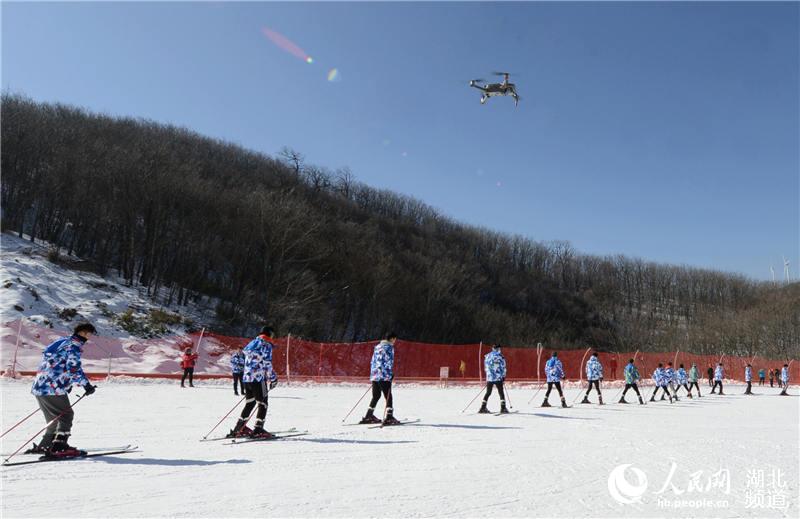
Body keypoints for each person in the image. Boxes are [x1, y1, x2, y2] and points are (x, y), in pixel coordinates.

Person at [27, 322, 98, 457]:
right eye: (89, 334)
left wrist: (67, 384)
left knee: (54, 418)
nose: (89, 337)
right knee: (66, 415)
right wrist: (86, 385)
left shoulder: (61, 342)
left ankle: (46, 444)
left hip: (40, 386)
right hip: (53, 388)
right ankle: (59, 446)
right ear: (83, 332)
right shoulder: (73, 347)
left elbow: (57, 365)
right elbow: (74, 368)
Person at [228, 326, 279, 438]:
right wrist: (273, 378)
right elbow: (267, 364)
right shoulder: (266, 345)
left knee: (250, 403)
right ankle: (258, 429)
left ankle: (239, 428)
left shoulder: (252, 343)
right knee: (263, 404)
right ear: (269, 334)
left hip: (247, 378)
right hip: (258, 379)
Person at [360, 332, 400, 425]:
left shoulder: (377, 347)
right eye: (395, 339)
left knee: (376, 395)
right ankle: (389, 417)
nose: (395, 341)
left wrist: (374, 373)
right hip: (384, 375)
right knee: (388, 396)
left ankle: (369, 415)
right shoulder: (389, 347)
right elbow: (389, 361)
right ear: (392, 338)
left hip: (374, 374)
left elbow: (373, 360)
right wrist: (390, 374)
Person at [478, 344, 508, 414]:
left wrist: (488, 375)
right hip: (498, 377)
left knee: (488, 393)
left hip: (490, 378)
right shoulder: (500, 356)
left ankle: (483, 407)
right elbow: (503, 367)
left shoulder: (488, 356)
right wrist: (503, 376)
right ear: (498, 349)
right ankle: (503, 408)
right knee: (501, 393)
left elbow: (486, 367)